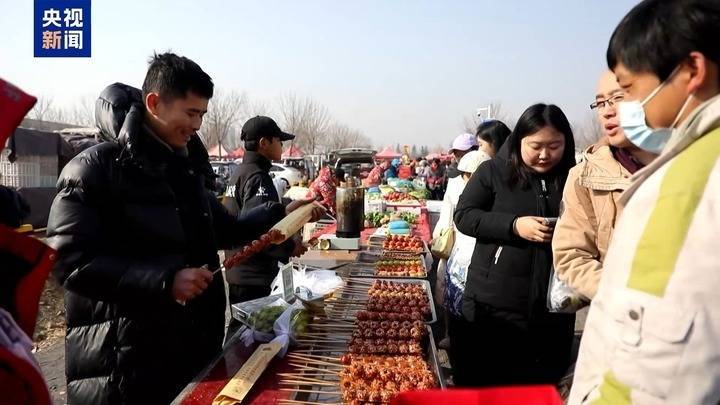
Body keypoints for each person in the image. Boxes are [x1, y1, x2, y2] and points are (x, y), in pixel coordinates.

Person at [46, 54, 301, 404]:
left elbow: (224, 230)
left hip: (188, 348)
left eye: (202, 115)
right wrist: (166, 280)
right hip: (124, 363)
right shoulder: (96, 170)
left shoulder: (185, 170)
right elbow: (68, 263)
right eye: (190, 113)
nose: (197, 125)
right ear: (154, 103)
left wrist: (281, 212)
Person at [569, 1, 720, 403]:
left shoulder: (692, 177)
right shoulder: (686, 163)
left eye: (629, 89)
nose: (620, 108)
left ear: (692, 71)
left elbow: (657, 350)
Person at [453, 103, 577, 387]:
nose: (545, 155)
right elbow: (464, 216)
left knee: (538, 388)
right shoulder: (493, 173)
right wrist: (513, 225)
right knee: (488, 384)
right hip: (495, 306)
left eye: (554, 146)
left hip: (552, 310)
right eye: (536, 146)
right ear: (519, 140)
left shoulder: (573, 178)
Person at [552, 71, 657, 300]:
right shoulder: (583, 177)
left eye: (618, 98)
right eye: (600, 103)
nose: (607, 111)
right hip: (622, 320)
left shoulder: (696, 164)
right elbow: (572, 256)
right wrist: (623, 298)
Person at [227, 116, 325, 334]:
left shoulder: (239, 173)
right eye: (279, 140)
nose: (282, 145)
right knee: (246, 336)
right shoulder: (257, 177)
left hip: (242, 272)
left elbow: (269, 216)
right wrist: (291, 247)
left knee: (244, 334)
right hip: (253, 274)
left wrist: (301, 215)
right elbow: (263, 231)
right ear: (264, 143)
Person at [438, 150, 491, 363]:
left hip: (479, 256)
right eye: (468, 174)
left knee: (474, 304)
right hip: (461, 251)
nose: (470, 178)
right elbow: (448, 218)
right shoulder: (456, 187)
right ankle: (454, 337)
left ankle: (470, 342)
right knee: (455, 299)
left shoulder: (494, 190)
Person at [432, 133, 478, 345]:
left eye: (463, 153)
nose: (459, 157)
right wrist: (440, 237)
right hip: (457, 244)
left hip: (476, 247)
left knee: (472, 296)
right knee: (452, 290)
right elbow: (447, 214)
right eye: (457, 154)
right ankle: (451, 333)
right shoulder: (454, 181)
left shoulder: (488, 179)